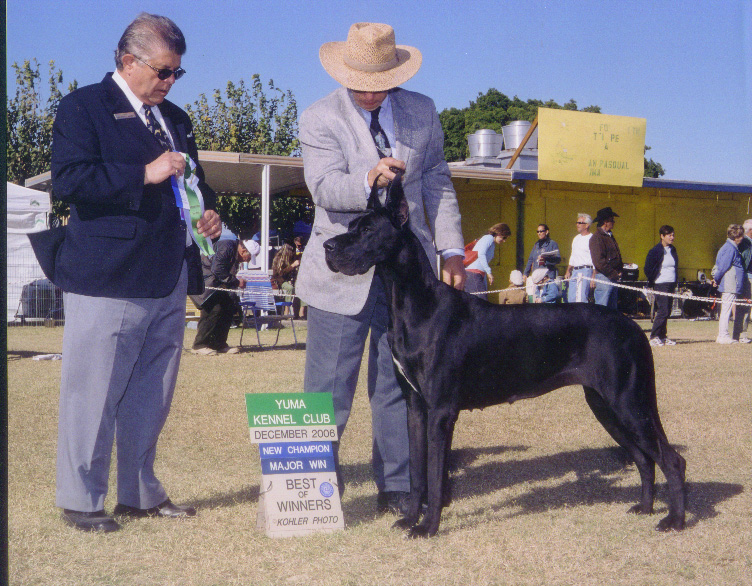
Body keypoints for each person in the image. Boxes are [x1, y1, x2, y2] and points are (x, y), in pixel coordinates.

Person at [28, 14, 221, 533]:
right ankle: (81, 499)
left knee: (151, 394)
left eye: (177, 72)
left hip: (168, 274)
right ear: (128, 61)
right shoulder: (83, 107)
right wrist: (143, 173)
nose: (171, 81)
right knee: (92, 394)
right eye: (163, 71)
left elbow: (195, 182)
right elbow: (70, 180)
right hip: (108, 276)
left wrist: (209, 212)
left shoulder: (176, 118)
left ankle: (139, 492)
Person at [296, 22, 465, 515]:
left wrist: (453, 250)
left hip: (408, 278)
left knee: (399, 384)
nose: (370, 94)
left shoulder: (423, 111)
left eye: (380, 85)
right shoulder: (319, 117)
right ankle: (312, 492)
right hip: (340, 270)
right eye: (360, 85)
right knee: (328, 390)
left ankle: (399, 487)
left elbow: (437, 181)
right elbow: (324, 188)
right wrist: (367, 178)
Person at [190, 239, 251, 355]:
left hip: (212, 283)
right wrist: (237, 282)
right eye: (247, 258)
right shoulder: (227, 247)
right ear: (243, 251)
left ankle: (219, 344)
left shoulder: (232, 251)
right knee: (214, 308)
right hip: (200, 281)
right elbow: (217, 269)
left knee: (228, 306)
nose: (246, 261)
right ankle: (199, 345)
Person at [712, 224, 750, 344]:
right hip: (729, 284)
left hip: (731, 284)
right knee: (726, 310)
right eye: (741, 236)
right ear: (736, 236)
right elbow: (722, 267)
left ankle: (723, 335)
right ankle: (723, 335)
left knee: (726, 309)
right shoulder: (730, 248)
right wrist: (716, 279)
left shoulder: (731, 247)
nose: (742, 238)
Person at [644, 225, 679, 346]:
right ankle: (654, 336)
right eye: (669, 235)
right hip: (660, 284)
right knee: (663, 310)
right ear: (662, 236)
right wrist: (653, 279)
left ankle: (663, 336)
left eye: (673, 235)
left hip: (671, 283)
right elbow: (648, 268)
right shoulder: (655, 251)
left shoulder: (673, 249)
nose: (672, 237)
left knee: (668, 310)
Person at [464, 223, 511, 300]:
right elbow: (481, 254)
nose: (504, 241)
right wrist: (489, 272)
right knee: (481, 302)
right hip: (473, 273)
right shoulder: (489, 238)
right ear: (499, 233)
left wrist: (484, 279)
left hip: (478, 274)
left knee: (478, 301)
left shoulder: (492, 243)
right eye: (504, 237)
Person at [589, 207, 623, 309]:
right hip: (604, 277)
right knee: (602, 308)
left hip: (612, 277)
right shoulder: (597, 238)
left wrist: (619, 270)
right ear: (605, 222)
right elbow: (599, 262)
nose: (614, 222)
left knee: (612, 309)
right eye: (612, 220)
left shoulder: (609, 236)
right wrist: (613, 274)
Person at [564, 213, 594, 303]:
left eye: (580, 223)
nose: (577, 225)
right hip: (575, 271)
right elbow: (573, 256)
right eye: (577, 222)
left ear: (587, 225)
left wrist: (593, 276)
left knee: (581, 298)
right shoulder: (576, 238)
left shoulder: (592, 238)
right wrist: (568, 270)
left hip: (586, 270)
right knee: (571, 298)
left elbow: (594, 258)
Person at [271, 243, 301, 315]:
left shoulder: (290, 258)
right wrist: (292, 265)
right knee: (289, 288)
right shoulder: (279, 259)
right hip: (279, 281)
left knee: (301, 287)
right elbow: (280, 273)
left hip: (289, 280)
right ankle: (286, 310)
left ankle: (301, 312)